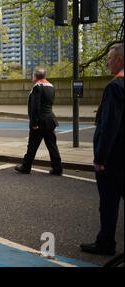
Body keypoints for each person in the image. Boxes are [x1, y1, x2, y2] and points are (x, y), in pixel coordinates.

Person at [81, 43, 124, 256]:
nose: (107, 61)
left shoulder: (115, 86)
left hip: (114, 159)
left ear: (120, 60)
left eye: (110, 57)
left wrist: (100, 158)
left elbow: (109, 127)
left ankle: (105, 243)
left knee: (108, 203)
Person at [15, 68, 63, 175]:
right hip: (50, 120)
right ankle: (58, 168)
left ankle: (26, 167)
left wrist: (34, 123)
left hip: (40, 122)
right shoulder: (51, 86)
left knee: (32, 145)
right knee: (52, 145)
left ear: (35, 76)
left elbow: (35, 107)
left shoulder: (37, 87)